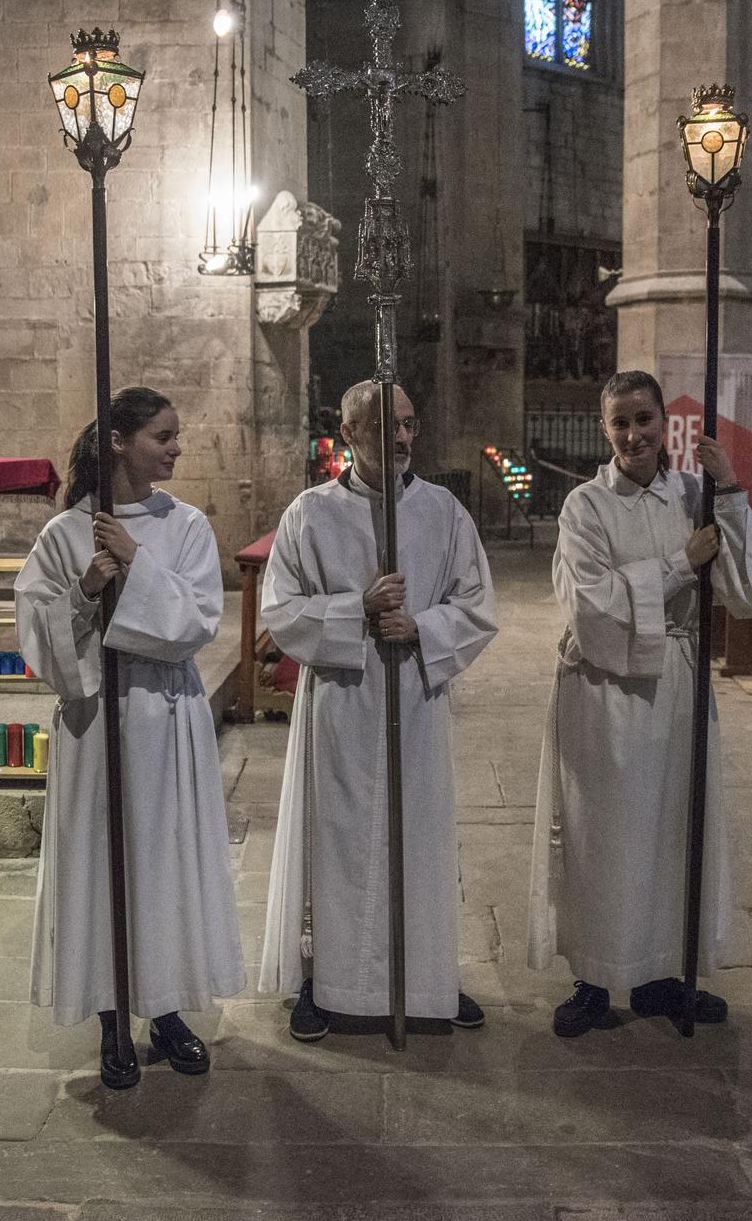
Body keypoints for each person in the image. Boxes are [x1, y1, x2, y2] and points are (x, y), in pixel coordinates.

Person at [528, 370, 752, 1036]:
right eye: (620, 423)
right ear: (606, 430)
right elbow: (590, 606)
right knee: (603, 834)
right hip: (605, 694)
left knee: (672, 832)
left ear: (666, 423)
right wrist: (674, 566)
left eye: (644, 419)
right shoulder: (585, 506)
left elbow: (748, 594)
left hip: (678, 685)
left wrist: (733, 495)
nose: (634, 434)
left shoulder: (697, 495)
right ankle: (593, 977)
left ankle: (665, 973)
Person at [14, 387, 244, 1089]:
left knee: (163, 862)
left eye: (176, 436)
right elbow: (39, 636)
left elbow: (198, 621)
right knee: (103, 864)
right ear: (118, 440)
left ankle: (166, 1007)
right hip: (96, 721)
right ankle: (112, 1012)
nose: (176, 447)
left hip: (165, 715)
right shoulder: (63, 535)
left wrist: (138, 562)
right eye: (162, 435)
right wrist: (86, 587)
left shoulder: (188, 525)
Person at [257, 381, 498, 1040]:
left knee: (419, 838)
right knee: (335, 841)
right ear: (349, 431)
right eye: (386, 426)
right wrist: (353, 610)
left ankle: (428, 981)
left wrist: (420, 626)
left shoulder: (444, 511)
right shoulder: (311, 514)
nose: (401, 439)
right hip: (341, 702)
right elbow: (277, 612)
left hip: (416, 702)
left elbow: (478, 605)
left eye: (410, 425)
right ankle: (324, 978)